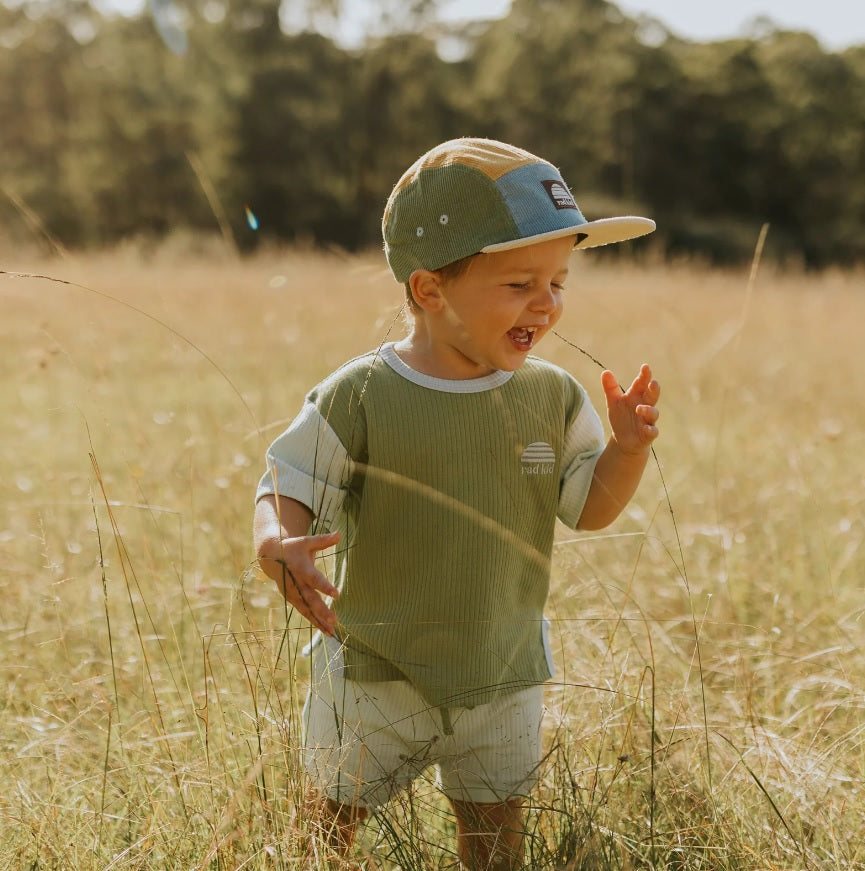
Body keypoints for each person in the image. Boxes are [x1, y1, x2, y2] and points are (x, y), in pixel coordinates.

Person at [253, 137, 660, 869]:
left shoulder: (553, 395)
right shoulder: (362, 393)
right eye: (518, 282)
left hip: (501, 671)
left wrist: (624, 451)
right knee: (326, 829)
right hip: (372, 668)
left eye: (559, 281)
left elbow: (586, 509)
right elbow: (288, 480)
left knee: (497, 833)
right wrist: (276, 539)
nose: (546, 302)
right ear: (429, 290)